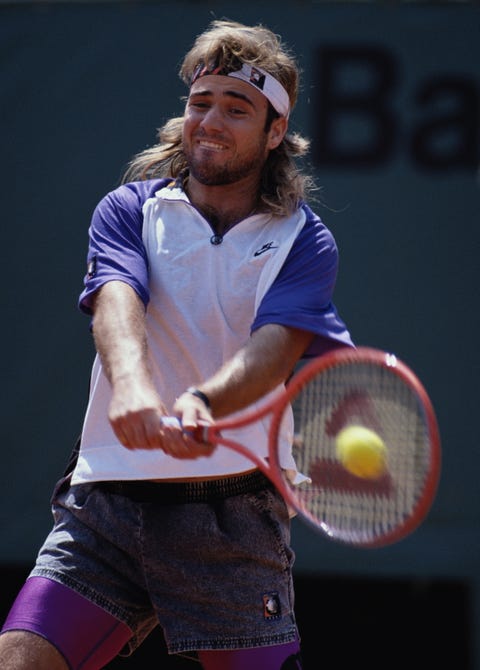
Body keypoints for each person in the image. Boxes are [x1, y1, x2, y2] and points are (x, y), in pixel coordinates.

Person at [0, 19, 353, 670]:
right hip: (107, 506)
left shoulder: (304, 240)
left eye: (236, 109)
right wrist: (133, 391)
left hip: (233, 516)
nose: (210, 121)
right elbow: (116, 302)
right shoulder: (127, 210)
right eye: (200, 103)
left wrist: (202, 403)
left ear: (276, 133)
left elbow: (273, 349)